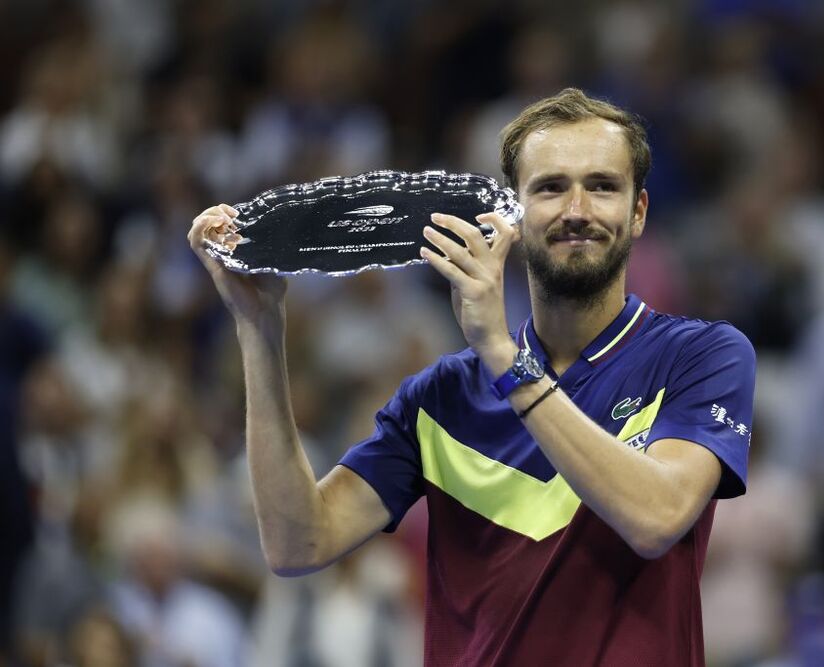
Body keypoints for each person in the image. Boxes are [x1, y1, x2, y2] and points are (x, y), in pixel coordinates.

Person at [188, 88, 756, 666]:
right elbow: (298, 542)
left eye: (603, 186)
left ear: (638, 213)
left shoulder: (702, 356)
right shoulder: (439, 398)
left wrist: (505, 359)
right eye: (551, 187)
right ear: (512, 213)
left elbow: (656, 518)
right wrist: (260, 327)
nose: (578, 210)